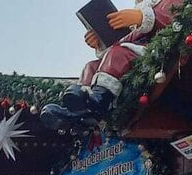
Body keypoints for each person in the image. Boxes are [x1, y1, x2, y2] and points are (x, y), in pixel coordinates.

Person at [41, 0, 184, 132]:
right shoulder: (141, 9)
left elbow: (177, 19)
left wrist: (141, 17)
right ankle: (77, 108)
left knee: (117, 54)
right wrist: (100, 41)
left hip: (155, 51)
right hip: (131, 53)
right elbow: (124, 40)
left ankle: (99, 99)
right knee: (91, 66)